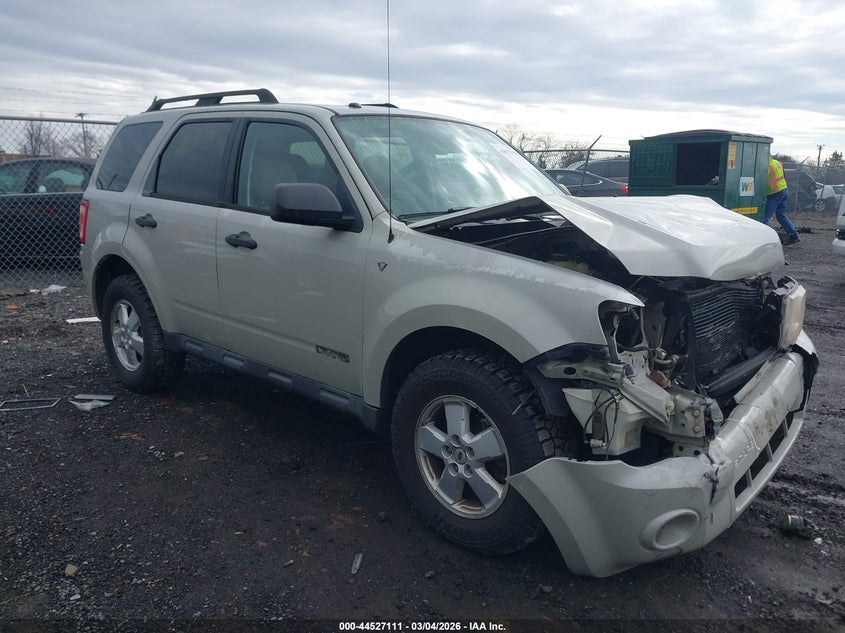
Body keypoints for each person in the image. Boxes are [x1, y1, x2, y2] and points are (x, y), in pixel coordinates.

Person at [764, 157, 800, 244]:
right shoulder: (777, 163)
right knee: (781, 215)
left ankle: (762, 238)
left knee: (765, 217)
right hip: (783, 189)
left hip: (774, 192)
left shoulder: (766, 166)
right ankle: (793, 235)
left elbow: (762, 181)